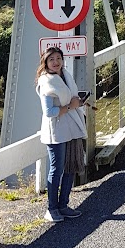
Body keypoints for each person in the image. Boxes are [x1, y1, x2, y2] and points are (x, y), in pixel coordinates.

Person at [35, 46, 88, 222]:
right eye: (52, 59)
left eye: (58, 58)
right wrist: (69, 107)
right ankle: (51, 209)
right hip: (56, 131)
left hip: (71, 128)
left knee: (70, 167)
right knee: (56, 170)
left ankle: (63, 205)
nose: (56, 62)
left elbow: (71, 98)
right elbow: (49, 112)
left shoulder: (65, 75)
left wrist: (78, 102)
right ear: (45, 62)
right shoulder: (47, 82)